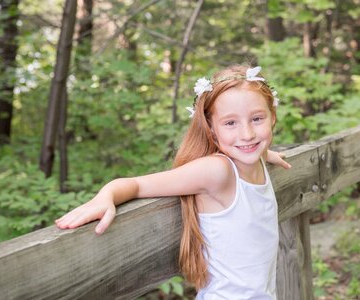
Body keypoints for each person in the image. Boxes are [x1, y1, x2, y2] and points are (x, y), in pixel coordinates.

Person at [55, 64, 291, 299]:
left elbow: (252, 147)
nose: (247, 134)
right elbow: (137, 185)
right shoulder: (217, 171)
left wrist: (266, 154)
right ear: (211, 128)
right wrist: (106, 197)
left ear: (272, 117)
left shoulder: (254, 159)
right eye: (231, 123)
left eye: (257, 119)